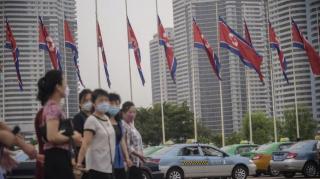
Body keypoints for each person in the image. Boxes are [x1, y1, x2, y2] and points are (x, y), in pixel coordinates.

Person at [37, 70, 82, 179]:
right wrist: (72, 136)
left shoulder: (54, 107)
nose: (67, 86)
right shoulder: (53, 107)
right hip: (56, 158)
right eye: (65, 82)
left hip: (60, 157)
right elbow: (52, 136)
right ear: (58, 86)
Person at [76, 89, 115, 179]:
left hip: (108, 165)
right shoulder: (91, 120)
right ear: (94, 103)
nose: (104, 103)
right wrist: (79, 162)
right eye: (101, 100)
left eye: (106, 100)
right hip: (96, 167)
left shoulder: (107, 118)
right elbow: (85, 143)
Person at [107, 93, 132, 179]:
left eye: (117, 104)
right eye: (112, 103)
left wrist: (127, 158)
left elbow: (122, 141)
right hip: (108, 156)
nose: (115, 106)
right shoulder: (104, 121)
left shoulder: (119, 122)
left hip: (119, 157)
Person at [122, 101, 145, 179]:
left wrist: (140, 158)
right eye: (130, 112)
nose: (132, 114)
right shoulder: (123, 126)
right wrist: (139, 155)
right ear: (124, 113)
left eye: (134, 112)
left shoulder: (132, 125)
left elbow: (138, 143)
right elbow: (127, 146)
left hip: (137, 162)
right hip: (130, 164)